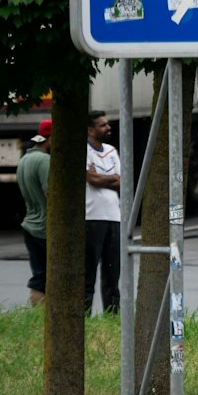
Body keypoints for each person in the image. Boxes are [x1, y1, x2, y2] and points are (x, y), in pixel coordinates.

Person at [83, 110, 122, 315]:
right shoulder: (85, 151)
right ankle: (84, 315)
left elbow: (122, 181)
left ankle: (113, 316)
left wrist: (102, 178)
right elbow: (92, 180)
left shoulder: (111, 150)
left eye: (107, 124)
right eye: (102, 125)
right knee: (88, 273)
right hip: (91, 217)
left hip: (114, 217)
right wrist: (110, 177)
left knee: (112, 272)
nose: (108, 128)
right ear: (90, 129)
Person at [17, 120, 51, 307]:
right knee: (50, 275)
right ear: (51, 138)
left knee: (39, 275)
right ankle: (47, 317)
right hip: (45, 226)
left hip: (29, 224)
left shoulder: (24, 160)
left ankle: (37, 317)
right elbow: (50, 192)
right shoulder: (45, 160)